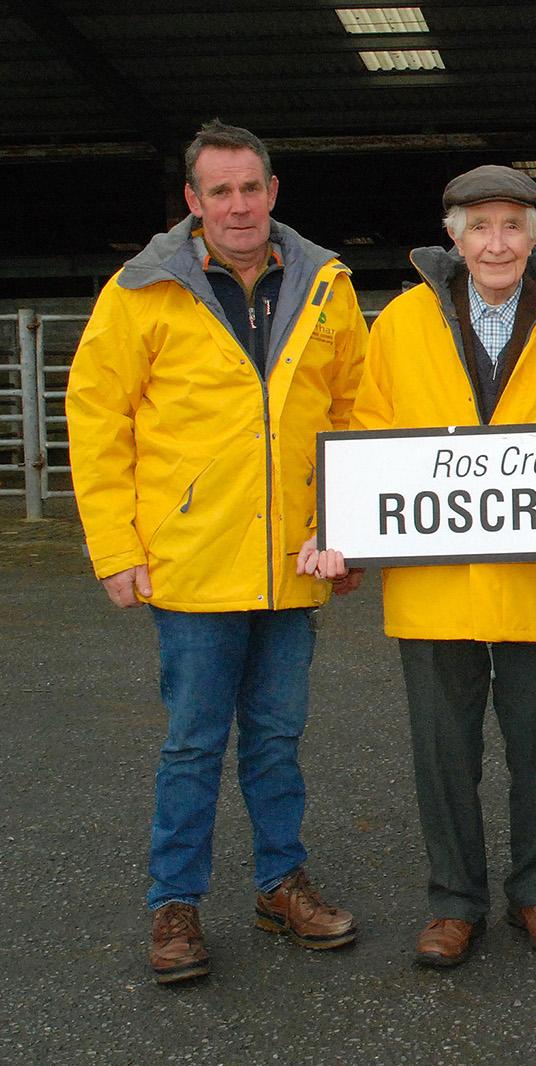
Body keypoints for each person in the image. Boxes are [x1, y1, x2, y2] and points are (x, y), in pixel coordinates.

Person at [66, 119, 366, 984]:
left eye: (251, 187)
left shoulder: (324, 285)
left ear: (273, 192)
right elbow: (97, 420)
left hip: (293, 562)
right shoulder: (141, 291)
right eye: (219, 191)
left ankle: (280, 885)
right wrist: (115, 548)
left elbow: (354, 415)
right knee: (194, 742)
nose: (238, 205)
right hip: (191, 564)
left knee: (277, 738)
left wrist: (345, 532)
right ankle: (176, 906)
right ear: (194, 202)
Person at [313, 165, 536, 968]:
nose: (496, 242)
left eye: (512, 226)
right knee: (442, 752)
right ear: (451, 235)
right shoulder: (401, 324)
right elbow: (370, 434)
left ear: (534, 237)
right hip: (435, 583)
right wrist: (342, 525)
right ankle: (454, 902)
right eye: (479, 226)